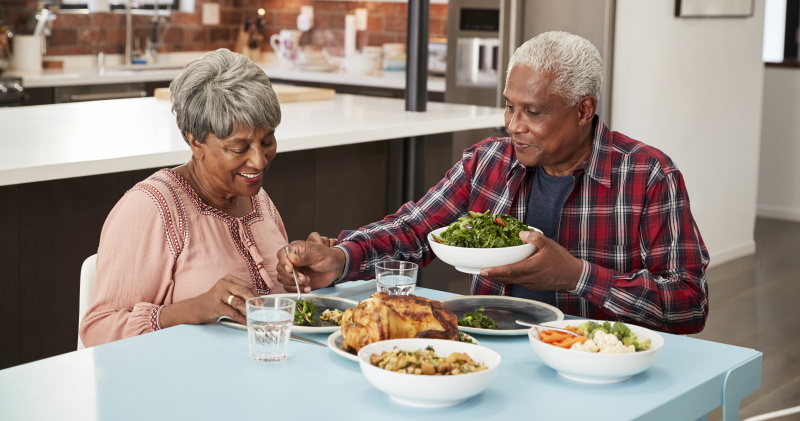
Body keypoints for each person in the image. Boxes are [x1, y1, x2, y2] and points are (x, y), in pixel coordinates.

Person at [277, 31, 710, 334]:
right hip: (487, 345)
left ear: (584, 111)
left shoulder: (648, 176)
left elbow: (689, 304)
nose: (514, 127)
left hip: (598, 361)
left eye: (533, 112)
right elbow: (413, 231)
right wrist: (339, 257)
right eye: (509, 108)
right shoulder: (487, 162)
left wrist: (576, 276)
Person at [81, 49, 290, 347]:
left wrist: (301, 278)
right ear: (194, 141)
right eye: (238, 148)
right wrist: (194, 309)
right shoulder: (151, 208)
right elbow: (97, 332)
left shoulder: (259, 200)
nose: (259, 161)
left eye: (267, 141)